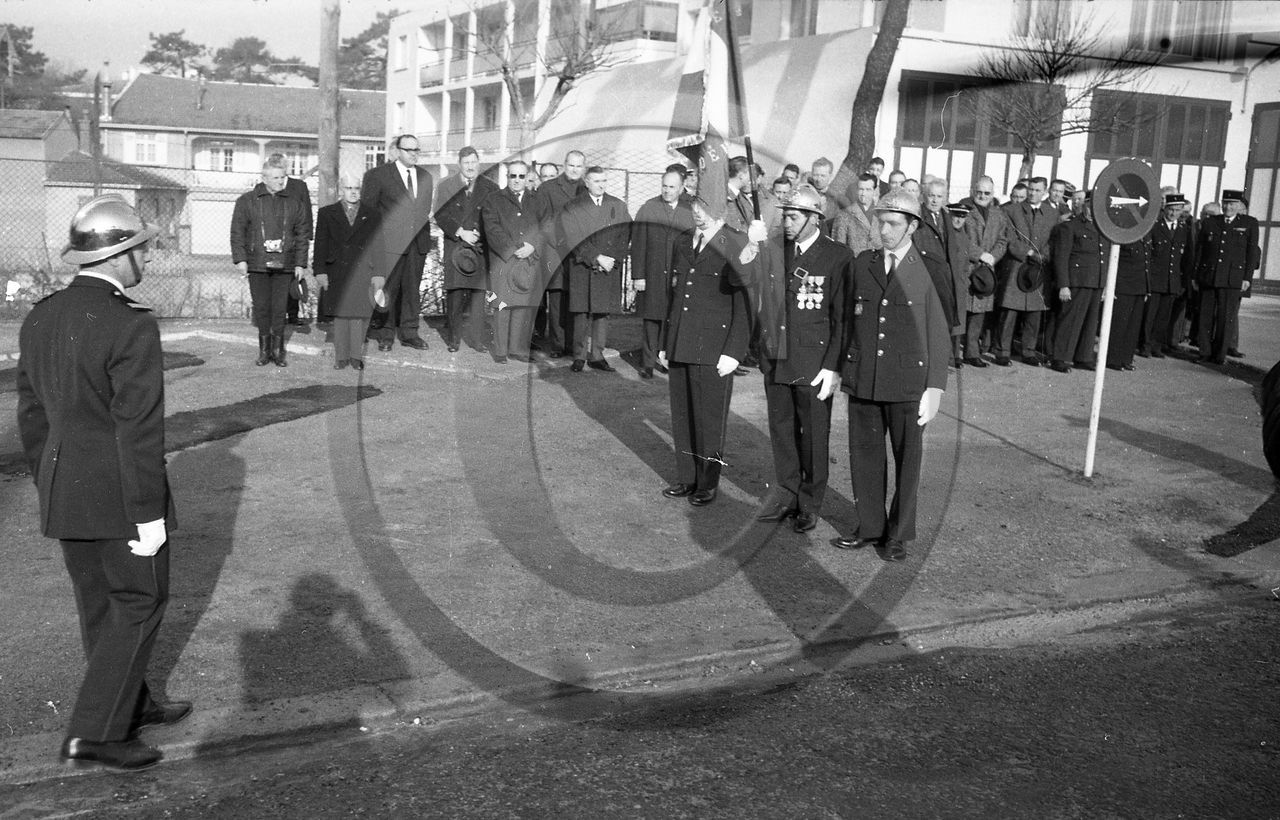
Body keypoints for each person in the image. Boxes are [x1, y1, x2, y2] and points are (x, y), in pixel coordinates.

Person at [17, 194, 188, 772]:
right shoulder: (130, 325)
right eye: (140, 249)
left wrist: (50, 483)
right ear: (120, 256)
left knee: (100, 605)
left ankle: (129, 702)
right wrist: (148, 514)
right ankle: (97, 733)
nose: (145, 260)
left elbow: (32, 416)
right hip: (119, 492)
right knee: (140, 600)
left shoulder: (41, 316)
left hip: (64, 487)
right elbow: (138, 430)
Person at [834, 189, 951, 561]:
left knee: (907, 459)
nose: (883, 230)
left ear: (913, 226)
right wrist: (837, 368)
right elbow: (846, 322)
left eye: (893, 223)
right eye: (880, 221)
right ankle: (869, 526)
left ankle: (898, 533)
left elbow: (942, 330)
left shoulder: (931, 267)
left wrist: (935, 387)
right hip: (865, 375)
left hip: (907, 381)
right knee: (865, 456)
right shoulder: (862, 263)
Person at [755, 185, 852, 533]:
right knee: (781, 432)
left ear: (815, 218)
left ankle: (809, 503)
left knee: (812, 435)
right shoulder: (775, 250)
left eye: (794, 216)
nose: (787, 221)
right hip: (777, 357)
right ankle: (786, 495)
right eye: (784, 215)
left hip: (813, 363)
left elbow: (842, 318)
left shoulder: (837, 257)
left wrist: (832, 365)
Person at [658, 197, 753, 507]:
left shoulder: (736, 243)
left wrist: (734, 351)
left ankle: (707, 482)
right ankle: (687, 477)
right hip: (681, 340)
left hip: (715, 347)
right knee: (683, 415)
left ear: (722, 210)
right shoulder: (683, 240)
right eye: (695, 207)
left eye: (706, 208)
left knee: (709, 418)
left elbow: (745, 302)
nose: (698, 214)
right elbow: (673, 295)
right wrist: (664, 341)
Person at [230, 156, 311, 367]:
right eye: (275, 177)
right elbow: (237, 232)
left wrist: (300, 264)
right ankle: (264, 351)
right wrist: (240, 259)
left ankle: (278, 351)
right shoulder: (247, 201)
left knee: (279, 308)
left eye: (283, 177)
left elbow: (302, 234)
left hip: (284, 265)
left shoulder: (294, 203)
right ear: (264, 178)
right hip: (257, 264)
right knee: (262, 308)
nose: (280, 182)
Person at [361, 133, 435, 352]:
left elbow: (422, 211)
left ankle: (410, 333)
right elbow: (369, 214)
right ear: (397, 151)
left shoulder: (426, 177)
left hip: (417, 244)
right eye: (409, 150)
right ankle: (386, 335)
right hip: (389, 245)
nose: (414, 154)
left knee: (412, 290)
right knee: (388, 291)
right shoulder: (378, 176)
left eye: (417, 150)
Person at [560, 165, 631, 372]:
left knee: (602, 313)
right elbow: (572, 237)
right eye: (596, 181)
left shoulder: (617, 205)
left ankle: (597, 355)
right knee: (581, 313)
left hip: (608, 267)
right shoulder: (572, 206)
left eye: (604, 181)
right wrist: (596, 257)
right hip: (583, 266)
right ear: (587, 182)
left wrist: (611, 259)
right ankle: (579, 356)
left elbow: (624, 235)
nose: (601, 185)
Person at [481, 160, 548, 363]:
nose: (517, 180)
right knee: (502, 305)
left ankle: (518, 349)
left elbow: (546, 227)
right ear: (507, 177)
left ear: (526, 177)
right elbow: (492, 229)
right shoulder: (493, 200)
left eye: (521, 176)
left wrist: (533, 246)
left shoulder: (537, 200)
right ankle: (501, 351)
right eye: (513, 176)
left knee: (522, 306)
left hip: (529, 261)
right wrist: (512, 250)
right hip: (503, 261)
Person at [630, 169, 695, 379]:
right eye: (664, 186)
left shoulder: (689, 210)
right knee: (652, 319)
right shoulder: (649, 208)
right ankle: (648, 362)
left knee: (673, 317)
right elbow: (638, 243)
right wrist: (638, 275)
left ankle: (666, 356)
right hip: (654, 273)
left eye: (672, 187)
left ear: (682, 188)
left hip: (678, 275)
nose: (667, 191)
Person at [435, 146, 500, 353]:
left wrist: (482, 233)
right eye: (466, 163)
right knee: (455, 294)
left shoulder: (491, 187)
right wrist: (461, 232)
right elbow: (440, 213)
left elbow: (495, 216)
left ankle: (477, 339)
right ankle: (454, 339)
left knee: (478, 296)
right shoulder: (446, 186)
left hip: (479, 247)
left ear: (479, 163)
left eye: (473, 162)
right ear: (459, 165)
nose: (470, 167)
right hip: (456, 245)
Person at [315, 173, 378, 370]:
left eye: (356, 189)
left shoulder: (372, 214)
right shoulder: (327, 213)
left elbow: (378, 246)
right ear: (341, 190)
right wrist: (320, 271)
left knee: (358, 314)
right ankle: (341, 357)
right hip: (336, 270)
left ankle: (356, 356)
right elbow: (320, 245)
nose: (353, 192)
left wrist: (378, 273)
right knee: (341, 314)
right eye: (349, 188)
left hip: (362, 271)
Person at [995, 176, 1055, 366]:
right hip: (1017, 266)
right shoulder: (1011, 210)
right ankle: (1002, 351)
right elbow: (1010, 237)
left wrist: (1043, 255)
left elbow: (1053, 239)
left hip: (1039, 268)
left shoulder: (1052, 214)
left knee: (1035, 313)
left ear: (1044, 192)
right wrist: (1029, 252)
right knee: (1010, 311)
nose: (1032, 193)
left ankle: (1028, 351)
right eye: (1031, 189)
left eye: (1038, 190)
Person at [1195, 189, 1260, 364]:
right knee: (1205, 317)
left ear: (1239, 206)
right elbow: (1200, 250)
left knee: (1226, 318)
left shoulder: (1250, 223)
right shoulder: (1210, 222)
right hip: (1209, 275)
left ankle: (1219, 355)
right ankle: (1204, 353)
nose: (1227, 207)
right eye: (1225, 203)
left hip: (1232, 277)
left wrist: (1247, 278)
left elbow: (1251, 253)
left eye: (1231, 204)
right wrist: (1196, 275)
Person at [1048, 192, 1109, 373]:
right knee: (1070, 321)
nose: (1092, 209)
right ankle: (1060, 358)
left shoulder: (1103, 228)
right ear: (1084, 205)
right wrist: (1063, 284)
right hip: (1077, 281)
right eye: (1089, 205)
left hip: (1096, 281)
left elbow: (1104, 257)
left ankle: (1083, 356)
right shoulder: (1071, 226)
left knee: (1090, 323)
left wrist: (1105, 284)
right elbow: (1061, 257)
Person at [534, 150, 586, 357]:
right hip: (555, 251)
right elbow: (543, 220)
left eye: (578, 166)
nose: (574, 169)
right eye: (571, 165)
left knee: (575, 300)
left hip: (581, 253)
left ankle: (573, 344)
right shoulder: (548, 188)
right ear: (564, 165)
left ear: (584, 168)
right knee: (556, 300)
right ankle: (557, 345)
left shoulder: (586, 188)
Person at [959, 176, 1009, 367]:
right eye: (979, 192)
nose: (982, 196)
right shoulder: (964, 210)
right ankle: (955, 353)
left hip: (986, 270)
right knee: (962, 311)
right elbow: (960, 238)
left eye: (986, 193)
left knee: (978, 314)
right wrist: (980, 254)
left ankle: (972, 353)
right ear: (974, 191)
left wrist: (992, 257)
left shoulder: (998, 214)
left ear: (992, 194)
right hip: (968, 267)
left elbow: (1003, 240)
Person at [1141, 192, 1193, 358]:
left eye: (1178, 210)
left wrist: (1183, 282)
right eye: (1171, 209)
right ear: (1164, 209)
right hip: (1155, 279)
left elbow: (1187, 258)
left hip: (1172, 281)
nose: (1173, 213)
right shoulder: (1155, 226)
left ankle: (1157, 345)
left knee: (1164, 316)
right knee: (1150, 315)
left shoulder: (1184, 229)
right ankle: (1145, 345)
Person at [269, 153, 315, 328]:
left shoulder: (299, 186)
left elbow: (307, 211)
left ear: (286, 169)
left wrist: (308, 236)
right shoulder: (270, 186)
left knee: (294, 277)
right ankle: (278, 315)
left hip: (295, 239)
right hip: (274, 240)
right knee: (277, 276)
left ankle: (294, 314)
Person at [1106, 232, 1151, 371]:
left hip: (1139, 286)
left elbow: (1147, 263)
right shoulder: (1124, 234)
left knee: (1133, 326)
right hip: (1123, 285)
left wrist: (1147, 287)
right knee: (1120, 324)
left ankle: (1126, 358)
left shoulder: (1146, 234)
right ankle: (1113, 359)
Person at [833, 173, 883, 257]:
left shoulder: (881, 215)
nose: (863, 193)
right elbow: (838, 249)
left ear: (875, 190)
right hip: (854, 266)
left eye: (868, 189)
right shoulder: (844, 215)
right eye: (861, 189)